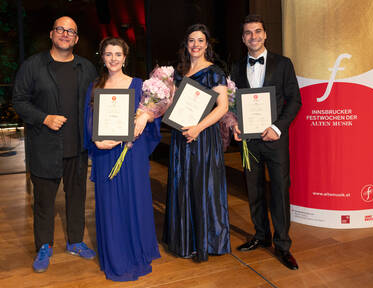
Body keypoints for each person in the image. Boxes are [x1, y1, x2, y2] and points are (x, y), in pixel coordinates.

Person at [12, 16, 97, 273]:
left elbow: (97, 103)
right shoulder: (33, 66)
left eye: (70, 31)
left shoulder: (87, 68)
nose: (65, 34)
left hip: (78, 149)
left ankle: (75, 241)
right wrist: (44, 118)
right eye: (60, 29)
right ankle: (44, 246)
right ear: (51, 34)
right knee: (44, 202)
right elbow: (19, 101)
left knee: (77, 198)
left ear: (76, 38)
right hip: (45, 148)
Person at [84, 37, 161, 281]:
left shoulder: (140, 86)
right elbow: (88, 118)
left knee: (134, 202)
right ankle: (115, 258)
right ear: (102, 57)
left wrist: (145, 118)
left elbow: (152, 116)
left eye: (118, 54)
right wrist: (96, 140)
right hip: (105, 153)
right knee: (110, 206)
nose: (113, 58)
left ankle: (137, 254)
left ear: (125, 57)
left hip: (132, 154)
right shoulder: (95, 86)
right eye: (109, 54)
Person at [231, 14, 302, 270]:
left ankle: (283, 246)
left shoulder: (283, 64)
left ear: (265, 34)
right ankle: (261, 235)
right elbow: (233, 103)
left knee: (280, 193)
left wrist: (277, 127)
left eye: (258, 31)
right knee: (255, 190)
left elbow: (295, 100)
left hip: (275, 140)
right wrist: (234, 123)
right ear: (243, 38)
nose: (253, 36)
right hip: (250, 142)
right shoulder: (236, 68)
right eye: (248, 33)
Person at [162, 24, 231, 262]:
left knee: (203, 187)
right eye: (192, 40)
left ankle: (206, 241)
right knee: (183, 184)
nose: (196, 45)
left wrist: (198, 128)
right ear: (186, 44)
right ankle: (184, 241)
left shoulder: (215, 72)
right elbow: (172, 105)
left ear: (207, 45)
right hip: (181, 137)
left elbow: (222, 107)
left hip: (203, 137)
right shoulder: (179, 73)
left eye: (200, 40)